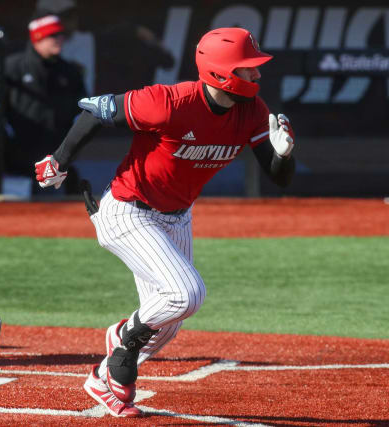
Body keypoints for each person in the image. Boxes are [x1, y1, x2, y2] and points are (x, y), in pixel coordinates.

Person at [34, 27, 296, 417]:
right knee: (186, 294)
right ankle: (123, 342)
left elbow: (277, 177)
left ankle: (103, 376)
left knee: (170, 324)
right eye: (248, 69)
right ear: (221, 72)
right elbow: (95, 110)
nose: (257, 76)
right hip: (127, 210)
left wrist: (285, 153)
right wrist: (59, 159)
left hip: (176, 217)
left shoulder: (252, 112)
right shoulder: (169, 102)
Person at [4, 10, 86, 195]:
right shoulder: (11, 68)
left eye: (61, 35)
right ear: (37, 37)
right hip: (16, 161)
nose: (59, 39)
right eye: (52, 35)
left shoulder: (70, 72)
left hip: (56, 161)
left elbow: (83, 110)